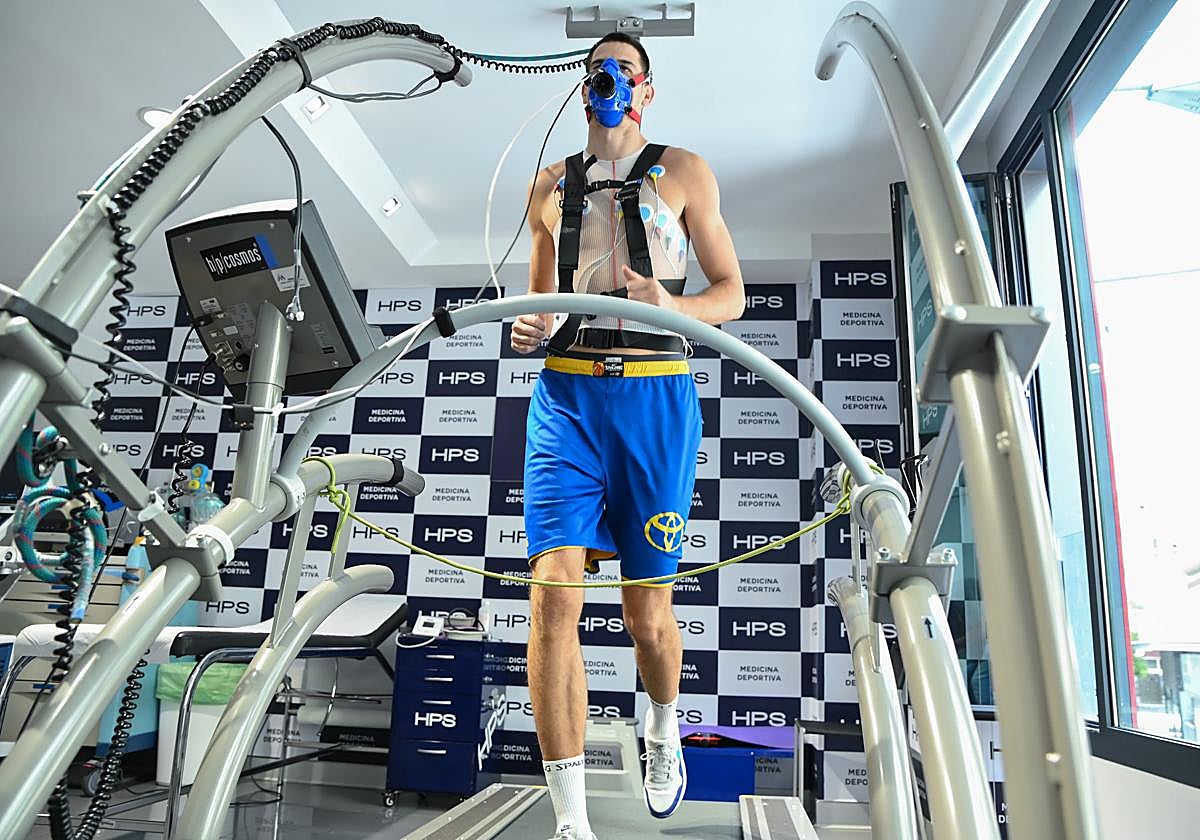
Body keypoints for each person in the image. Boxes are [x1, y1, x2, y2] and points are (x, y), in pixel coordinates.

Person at [510, 30, 745, 840]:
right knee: (553, 602)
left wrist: (673, 305)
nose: (606, 78)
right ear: (583, 86)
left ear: (645, 89)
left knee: (647, 616)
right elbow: (540, 305)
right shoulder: (547, 186)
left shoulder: (685, 171)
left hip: (654, 395)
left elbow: (731, 293)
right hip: (567, 397)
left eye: (623, 69)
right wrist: (532, 328)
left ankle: (662, 725)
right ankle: (570, 819)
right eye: (595, 69)